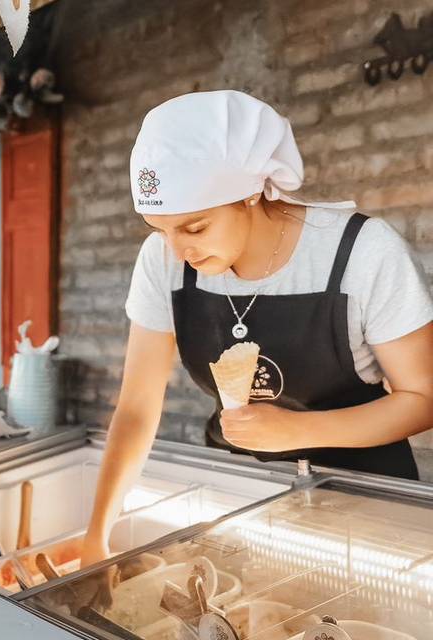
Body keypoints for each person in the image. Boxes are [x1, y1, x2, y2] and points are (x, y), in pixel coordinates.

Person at [82, 90, 433, 567]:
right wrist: (96, 536)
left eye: (196, 228)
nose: (176, 250)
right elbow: (137, 409)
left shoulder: (362, 254)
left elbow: (423, 399)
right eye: (157, 228)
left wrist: (297, 430)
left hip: (366, 502)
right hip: (241, 500)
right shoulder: (164, 261)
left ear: (249, 191)